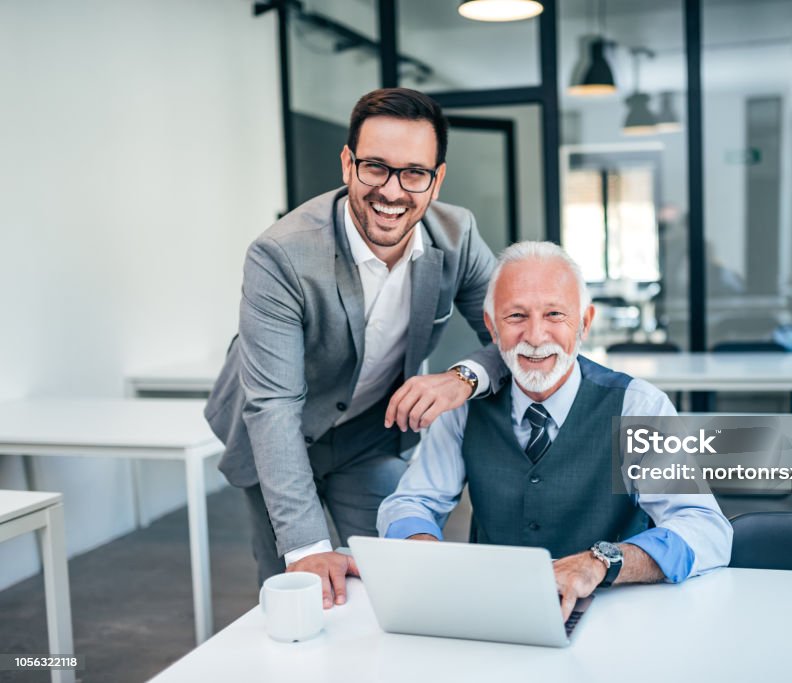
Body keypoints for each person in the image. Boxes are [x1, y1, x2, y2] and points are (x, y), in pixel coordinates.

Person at [205, 88, 506, 608]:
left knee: (397, 577)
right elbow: (273, 406)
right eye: (375, 167)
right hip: (275, 432)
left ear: (436, 180)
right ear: (347, 164)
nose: (393, 191)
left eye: (414, 172)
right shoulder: (281, 255)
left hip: (368, 435)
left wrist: (462, 377)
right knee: (296, 592)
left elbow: (514, 336)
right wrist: (306, 549)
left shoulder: (457, 236)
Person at [377, 241, 732, 621]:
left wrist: (601, 562)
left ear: (585, 322)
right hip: (495, 612)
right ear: (491, 326)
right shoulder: (463, 408)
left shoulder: (638, 407)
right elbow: (411, 502)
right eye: (516, 316)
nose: (535, 335)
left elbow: (705, 528)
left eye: (554, 314)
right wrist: (421, 546)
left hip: (617, 616)